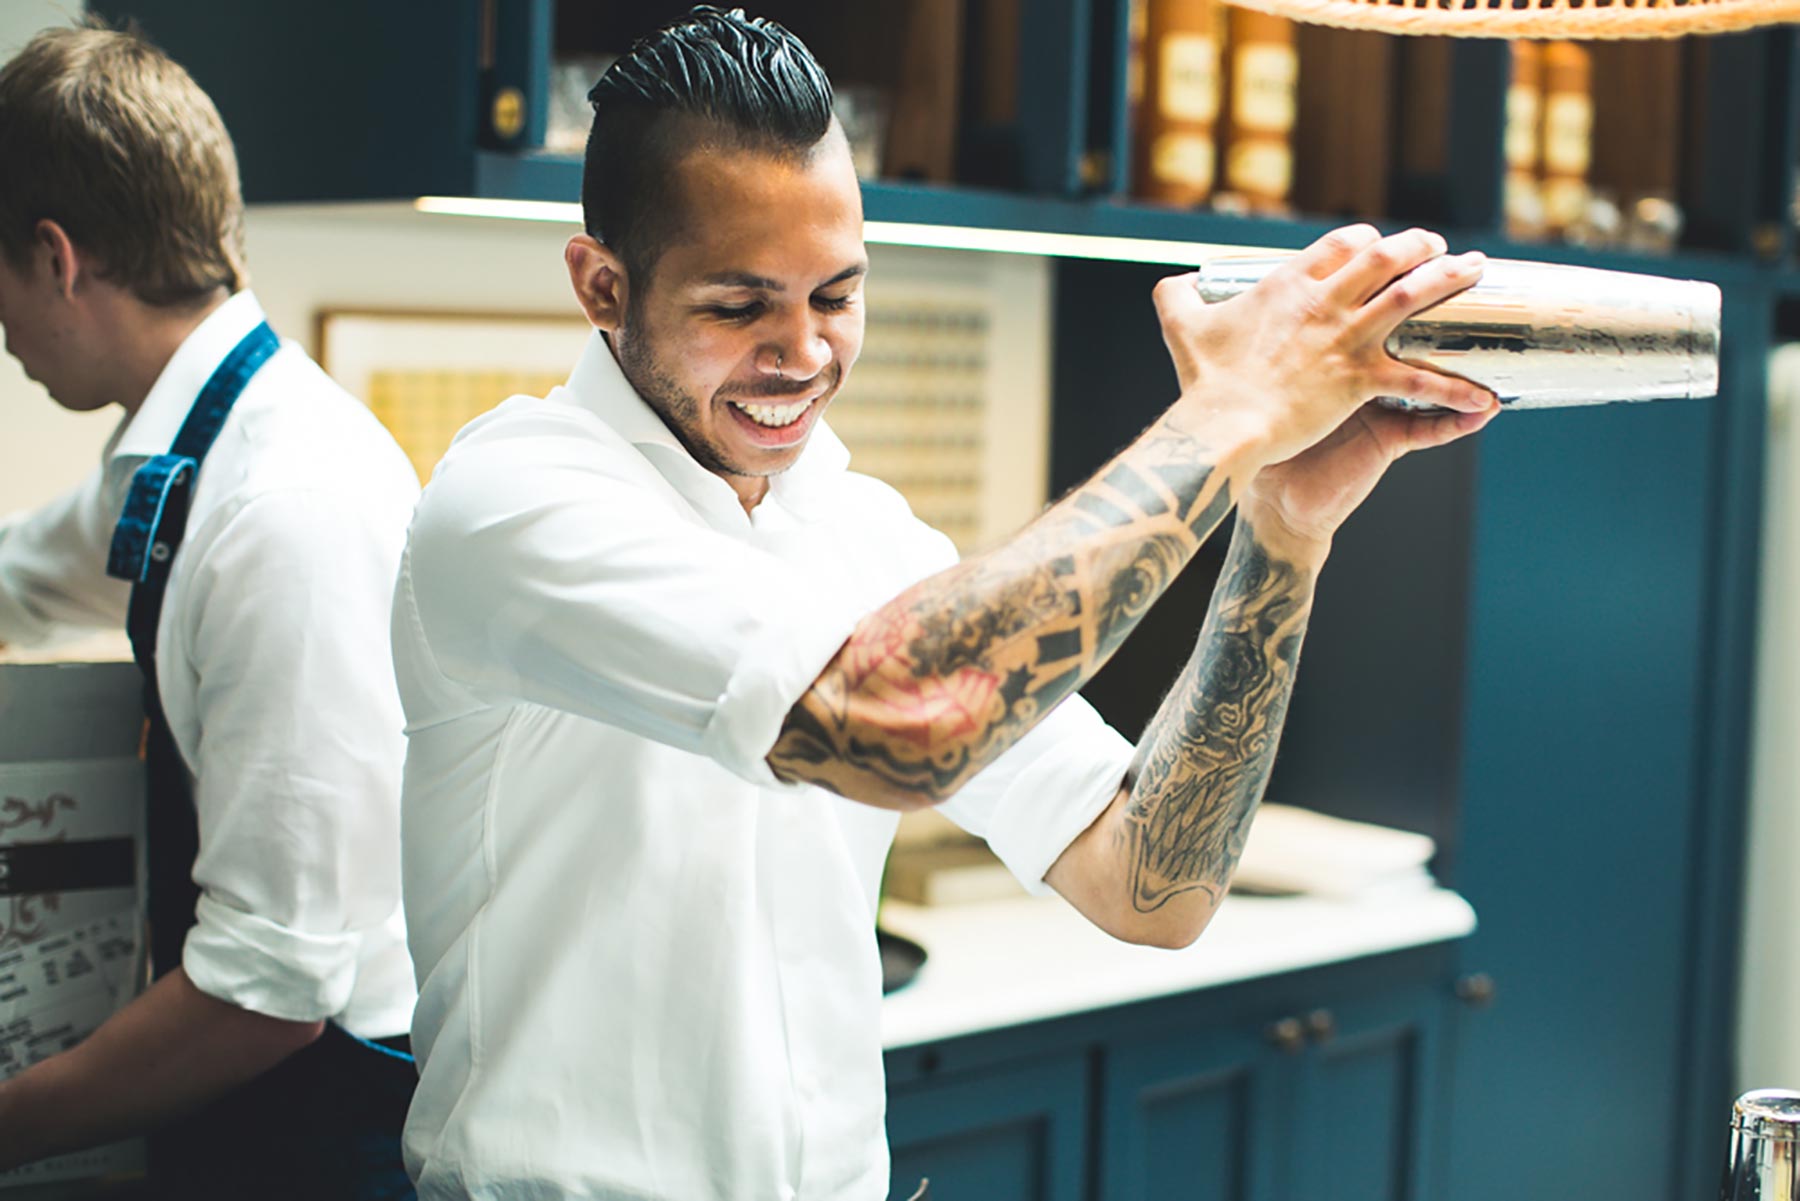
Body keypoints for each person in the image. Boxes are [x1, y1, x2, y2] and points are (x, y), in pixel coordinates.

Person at [393, 7, 1498, 1199]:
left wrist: (1283, 527)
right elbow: (894, 721)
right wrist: (1226, 418)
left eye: (836, 295)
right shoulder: (513, 504)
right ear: (603, 286)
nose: (803, 352)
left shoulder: (862, 531)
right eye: (738, 305)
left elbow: (1150, 888)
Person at [0, 24, 420, 1199]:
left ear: (54, 257)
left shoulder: (284, 507)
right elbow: (27, 572)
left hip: (332, 1138)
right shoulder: (190, 449)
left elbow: (268, 994)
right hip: (247, 1124)